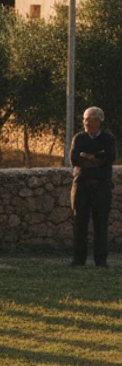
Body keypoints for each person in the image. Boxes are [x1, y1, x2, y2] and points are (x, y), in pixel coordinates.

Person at [70, 106, 117, 267]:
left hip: (101, 186)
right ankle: (79, 259)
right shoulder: (79, 138)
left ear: (99, 121)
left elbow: (109, 158)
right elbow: (74, 159)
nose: (86, 123)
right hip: (81, 185)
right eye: (85, 119)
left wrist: (87, 158)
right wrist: (96, 159)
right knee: (79, 222)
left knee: (101, 223)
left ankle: (101, 260)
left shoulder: (108, 139)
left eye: (90, 120)